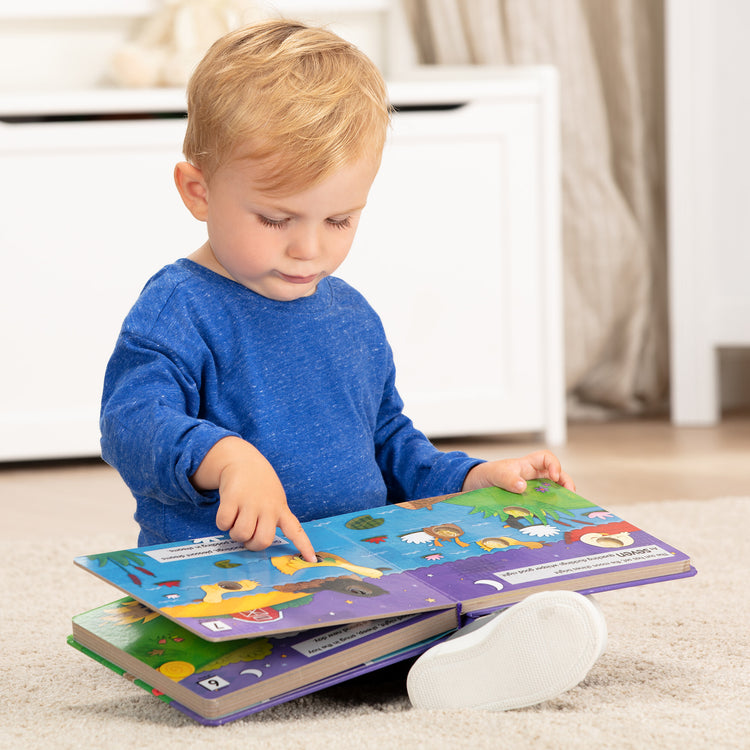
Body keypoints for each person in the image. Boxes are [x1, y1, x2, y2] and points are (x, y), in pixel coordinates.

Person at [100, 19, 606, 712]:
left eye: (339, 221)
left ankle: (454, 658)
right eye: (277, 219)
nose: (310, 248)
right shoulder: (178, 308)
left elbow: (394, 449)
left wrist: (474, 477)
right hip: (232, 581)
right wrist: (226, 458)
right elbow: (131, 424)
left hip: (357, 576)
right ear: (198, 190)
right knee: (256, 652)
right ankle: (426, 667)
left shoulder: (350, 316)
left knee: (451, 595)